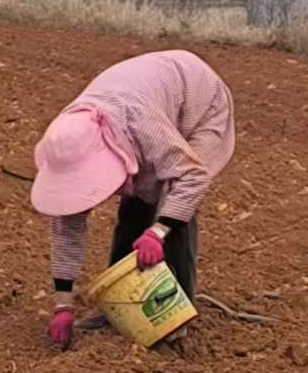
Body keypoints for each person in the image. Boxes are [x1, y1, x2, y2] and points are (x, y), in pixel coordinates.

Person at [31, 51, 236, 350]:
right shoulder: (69, 136)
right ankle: (121, 301)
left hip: (200, 103)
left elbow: (193, 176)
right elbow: (68, 226)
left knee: (175, 203)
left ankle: (175, 318)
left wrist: (159, 231)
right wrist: (63, 304)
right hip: (147, 107)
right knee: (136, 203)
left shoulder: (140, 123)